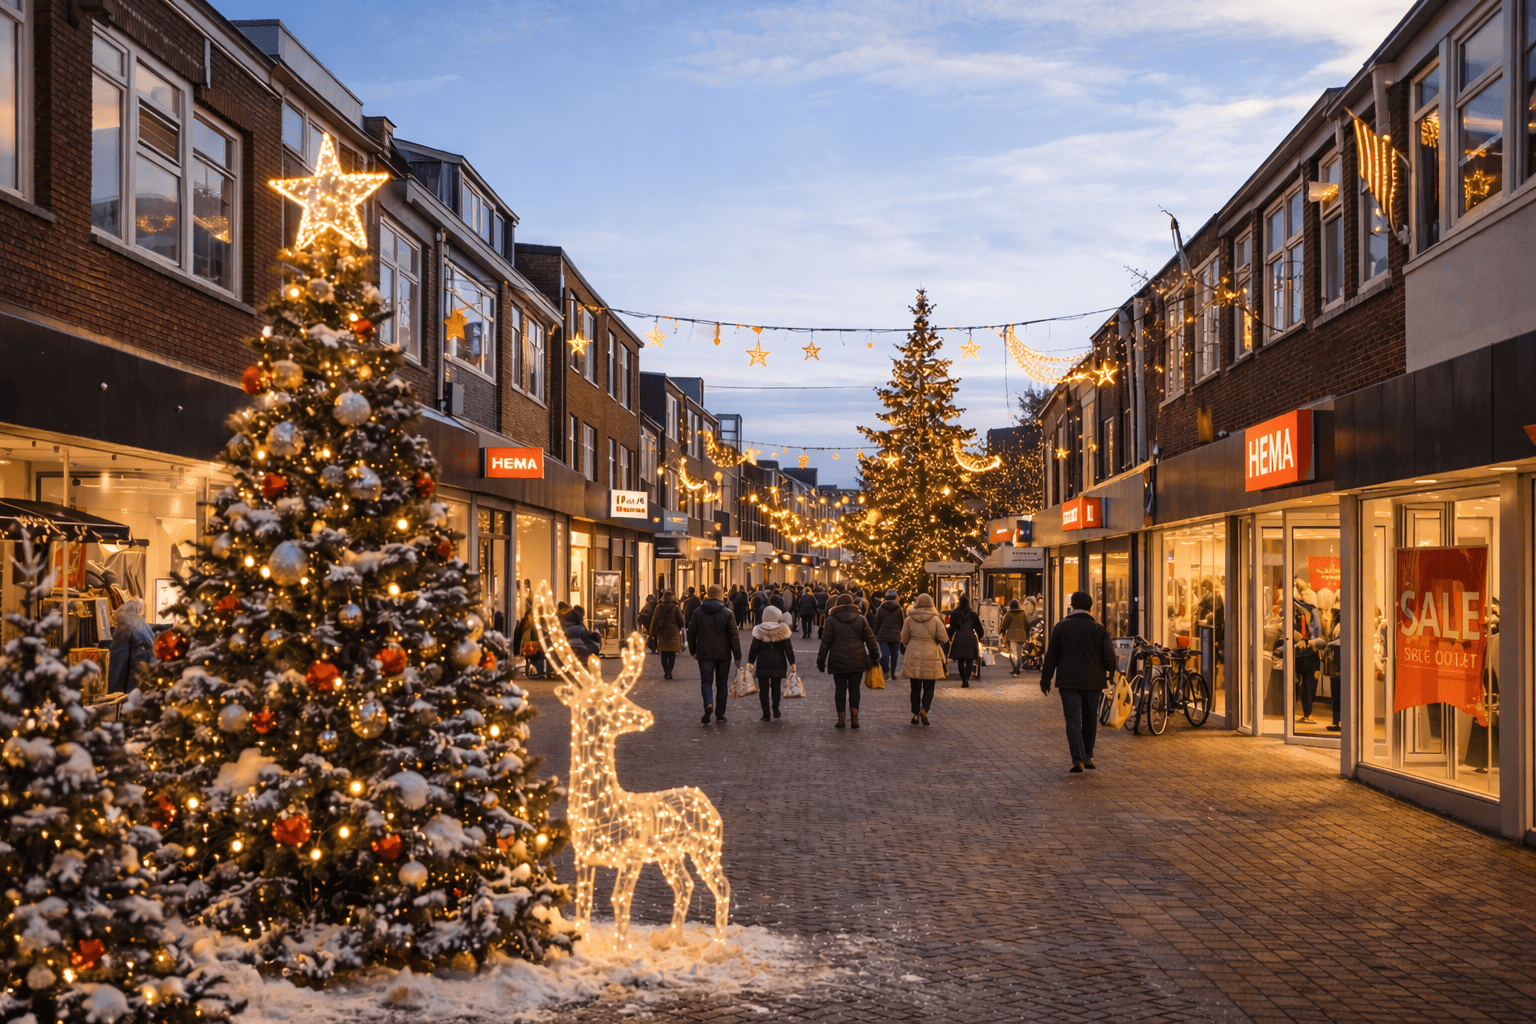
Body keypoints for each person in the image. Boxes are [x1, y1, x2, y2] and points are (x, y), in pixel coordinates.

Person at [1039, 591, 1118, 772]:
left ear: (1072, 605)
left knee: (1073, 719)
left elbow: (1051, 656)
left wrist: (1045, 680)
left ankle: (1077, 759)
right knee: (1090, 718)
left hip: (1068, 680)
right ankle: (1088, 755)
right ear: (1091, 607)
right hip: (1094, 680)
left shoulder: (1061, 627)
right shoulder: (1099, 629)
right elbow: (1109, 657)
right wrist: (1110, 674)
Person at [816, 593, 879, 729]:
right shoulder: (861, 619)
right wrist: (874, 655)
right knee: (855, 689)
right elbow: (870, 639)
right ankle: (855, 717)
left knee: (840, 689)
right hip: (858, 660)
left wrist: (820, 661)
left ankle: (841, 719)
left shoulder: (831, 620)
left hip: (837, 660)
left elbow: (825, 643)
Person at [687, 584, 742, 724]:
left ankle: (708, 703)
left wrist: (693, 651)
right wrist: (737, 656)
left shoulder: (698, 612)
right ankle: (720, 714)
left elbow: (691, 633)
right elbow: (734, 636)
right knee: (722, 684)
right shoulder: (728, 613)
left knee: (706, 681)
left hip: (704, 653)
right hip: (723, 654)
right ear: (720, 595)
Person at [899, 594, 947, 725]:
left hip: (913, 655)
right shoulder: (936, 619)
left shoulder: (909, 619)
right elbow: (943, 638)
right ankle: (924, 710)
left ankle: (915, 715)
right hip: (931, 655)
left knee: (915, 688)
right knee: (929, 687)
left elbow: (903, 638)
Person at [748, 606, 796, 720]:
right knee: (776, 687)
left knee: (763, 690)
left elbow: (754, 648)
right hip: (778, 663)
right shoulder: (783, 629)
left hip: (762, 663)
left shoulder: (759, 629)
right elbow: (788, 648)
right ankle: (776, 708)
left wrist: (750, 661)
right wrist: (792, 662)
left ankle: (766, 714)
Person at [107, 598, 155, 694]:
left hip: (134, 677)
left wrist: (109, 693)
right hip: (147, 674)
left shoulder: (123, 627)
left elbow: (117, 663)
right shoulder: (143, 625)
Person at [946, 597, 984, 687]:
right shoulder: (973, 614)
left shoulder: (955, 613)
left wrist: (950, 637)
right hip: (971, 639)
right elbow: (979, 628)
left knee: (960, 661)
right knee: (969, 660)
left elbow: (952, 628)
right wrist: (980, 637)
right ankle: (967, 677)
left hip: (959, 639)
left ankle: (963, 679)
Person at [649, 590, 686, 679]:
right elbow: (681, 621)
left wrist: (652, 633)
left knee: (664, 653)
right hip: (673, 632)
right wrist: (680, 627)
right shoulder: (676, 608)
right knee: (672, 654)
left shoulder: (659, 607)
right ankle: (669, 671)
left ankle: (666, 671)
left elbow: (654, 621)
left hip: (662, 633)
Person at [870, 589, 905, 678]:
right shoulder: (899, 609)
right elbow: (902, 623)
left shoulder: (881, 609)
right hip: (896, 636)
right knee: (894, 655)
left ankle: (886, 672)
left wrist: (875, 634)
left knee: (885, 654)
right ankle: (893, 673)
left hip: (883, 636)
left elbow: (876, 622)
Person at [999, 599, 1030, 676]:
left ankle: (1016, 668)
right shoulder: (1022, 613)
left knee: (1013, 653)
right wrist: (1027, 634)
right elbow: (1027, 625)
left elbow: (1005, 624)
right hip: (1022, 635)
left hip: (1012, 636)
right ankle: (1018, 667)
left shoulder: (1009, 614)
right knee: (1018, 652)